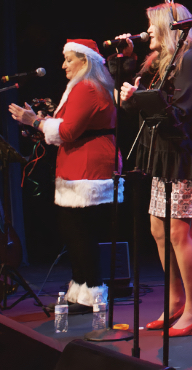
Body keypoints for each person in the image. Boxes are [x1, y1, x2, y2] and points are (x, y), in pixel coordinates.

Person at [118, 2, 192, 336]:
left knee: (179, 232)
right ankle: (175, 300)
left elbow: (180, 113)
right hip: (166, 156)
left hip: (188, 156)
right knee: (157, 229)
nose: (148, 30)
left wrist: (138, 99)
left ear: (170, 27)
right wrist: (125, 64)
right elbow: (139, 100)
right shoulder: (159, 63)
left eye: (153, 24)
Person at [9, 39, 120, 313]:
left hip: (86, 166)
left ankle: (92, 291)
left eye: (69, 59)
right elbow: (67, 127)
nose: (63, 65)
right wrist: (39, 121)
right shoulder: (87, 86)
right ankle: (81, 289)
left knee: (80, 231)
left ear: (85, 60)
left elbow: (68, 132)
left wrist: (33, 120)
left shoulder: (86, 88)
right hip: (80, 162)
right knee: (75, 230)